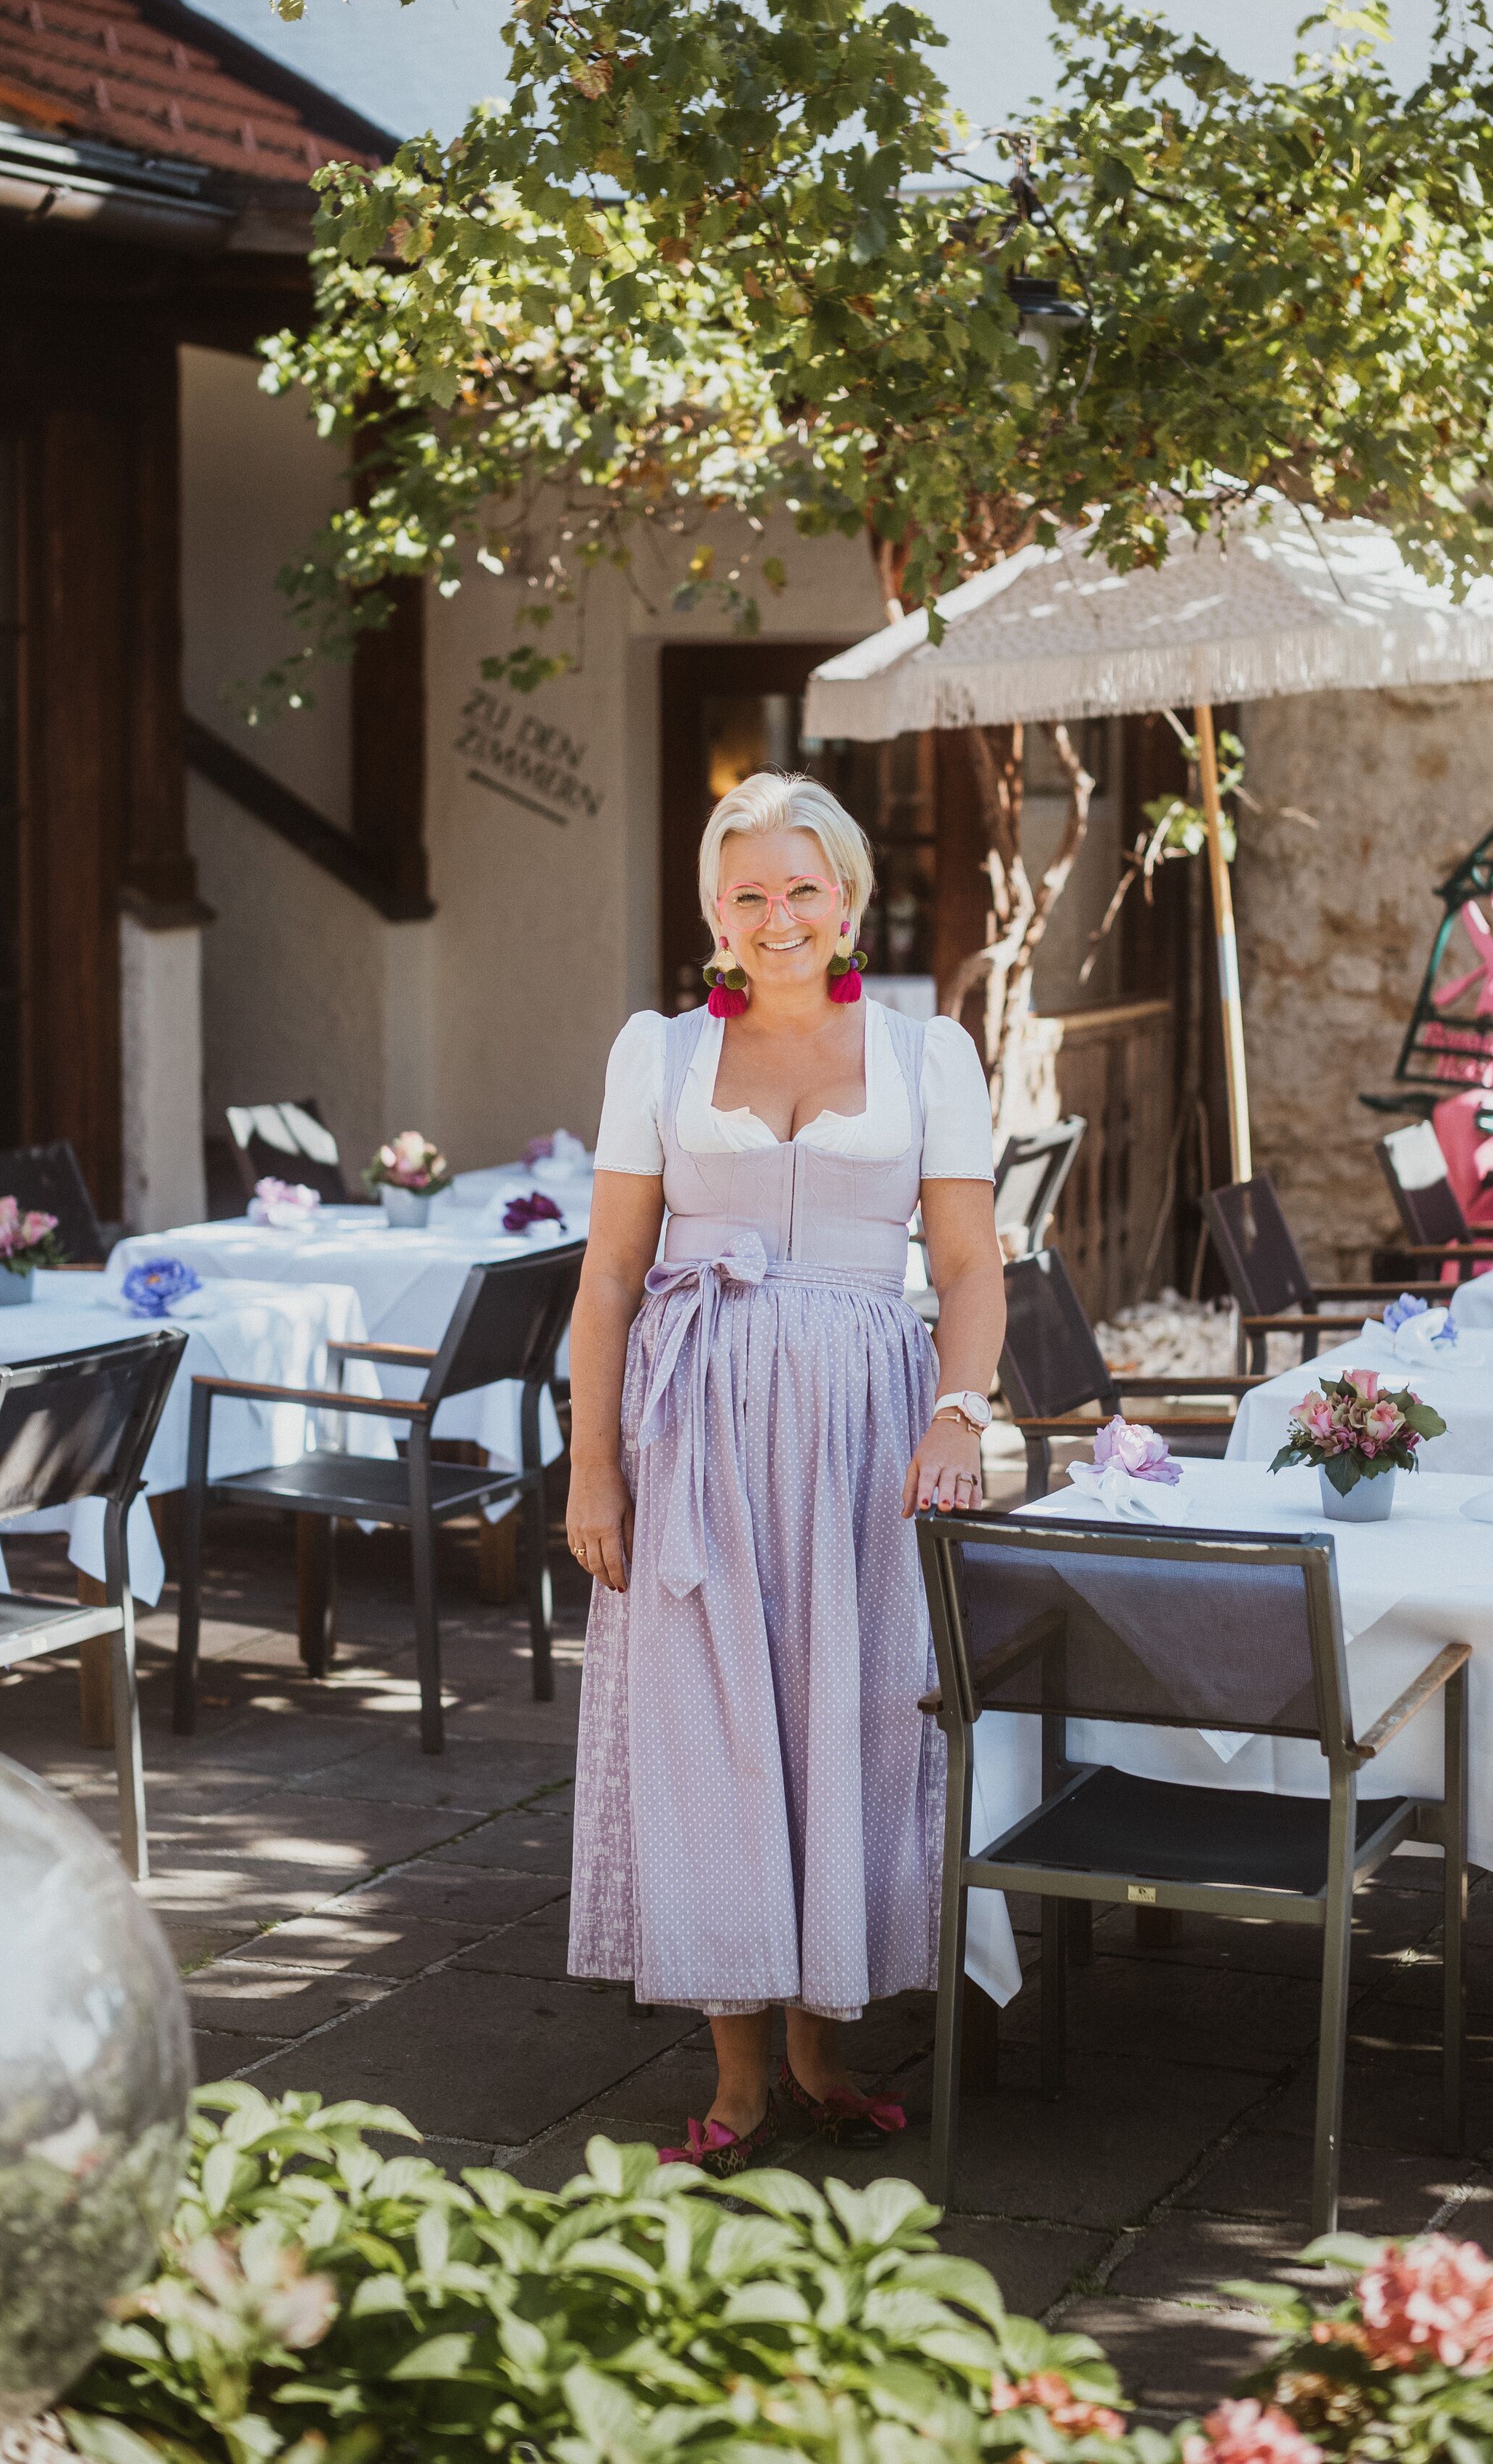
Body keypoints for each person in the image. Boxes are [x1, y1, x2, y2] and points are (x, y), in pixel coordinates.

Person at [565, 770, 1005, 2173]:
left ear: (850, 899)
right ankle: (739, 2075)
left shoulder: (927, 1053)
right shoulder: (660, 1055)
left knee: (854, 1718)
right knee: (709, 1729)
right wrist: (591, 1472)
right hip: (693, 1424)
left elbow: (970, 1267)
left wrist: (960, 1411)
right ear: (712, 909)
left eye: (802, 888)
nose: (776, 916)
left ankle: (824, 2043)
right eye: (747, 892)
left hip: (867, 1429)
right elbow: (610, 1276)